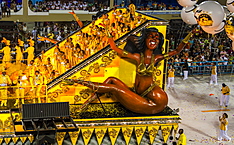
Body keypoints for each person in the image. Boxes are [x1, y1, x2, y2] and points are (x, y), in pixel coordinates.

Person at [66, 27, 195, 115]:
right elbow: (115, 48)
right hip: (141, 95)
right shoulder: (137, 57)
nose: (154, 39)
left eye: (156, 37)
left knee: (114, 88)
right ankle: (87, 102)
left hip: (155, 102)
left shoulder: (157, 58)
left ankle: (77, 81)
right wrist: (108, 35)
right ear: (145, 39)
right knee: (112, 80)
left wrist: (189, 36)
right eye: (151, 36)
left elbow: (177, 51)